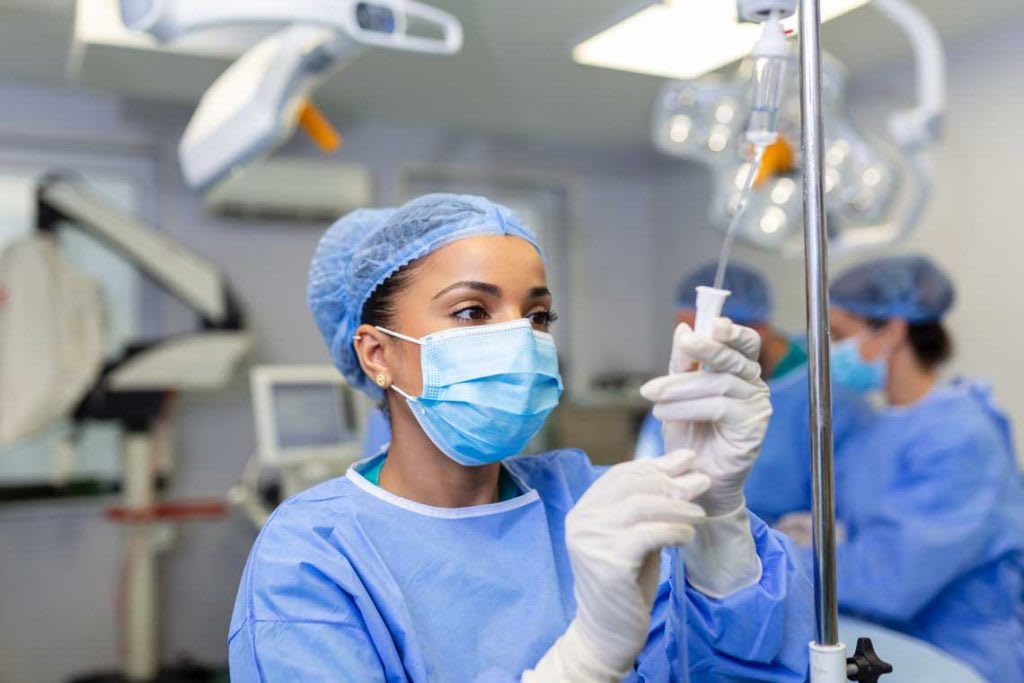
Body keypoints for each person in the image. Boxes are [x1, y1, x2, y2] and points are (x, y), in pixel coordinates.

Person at [228, 195, 813, 681]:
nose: (519, 339)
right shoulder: (313, 557)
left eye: (537, 317)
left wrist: (715, 515)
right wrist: (583, 661)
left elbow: (742, 668)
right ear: (377, 353)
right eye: (471, 312)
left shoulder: (588, 500)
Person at [789, 255, 1024, 682]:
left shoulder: (959, 436)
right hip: (887, 648)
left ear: (892, 331)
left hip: (959, 657)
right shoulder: (876, 427)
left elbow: (891, 579)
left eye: (839, 336)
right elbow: (864, 527)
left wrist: (781, 562)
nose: (830, 352)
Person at [636, 262, 866, 523]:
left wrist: (793, 545)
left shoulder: (829, 401)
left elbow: (859, 515)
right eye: (684, 335)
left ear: (757, 329)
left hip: (788, 558)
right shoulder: (686, 395)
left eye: (703, 336)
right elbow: (649, 484)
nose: (694, 352)